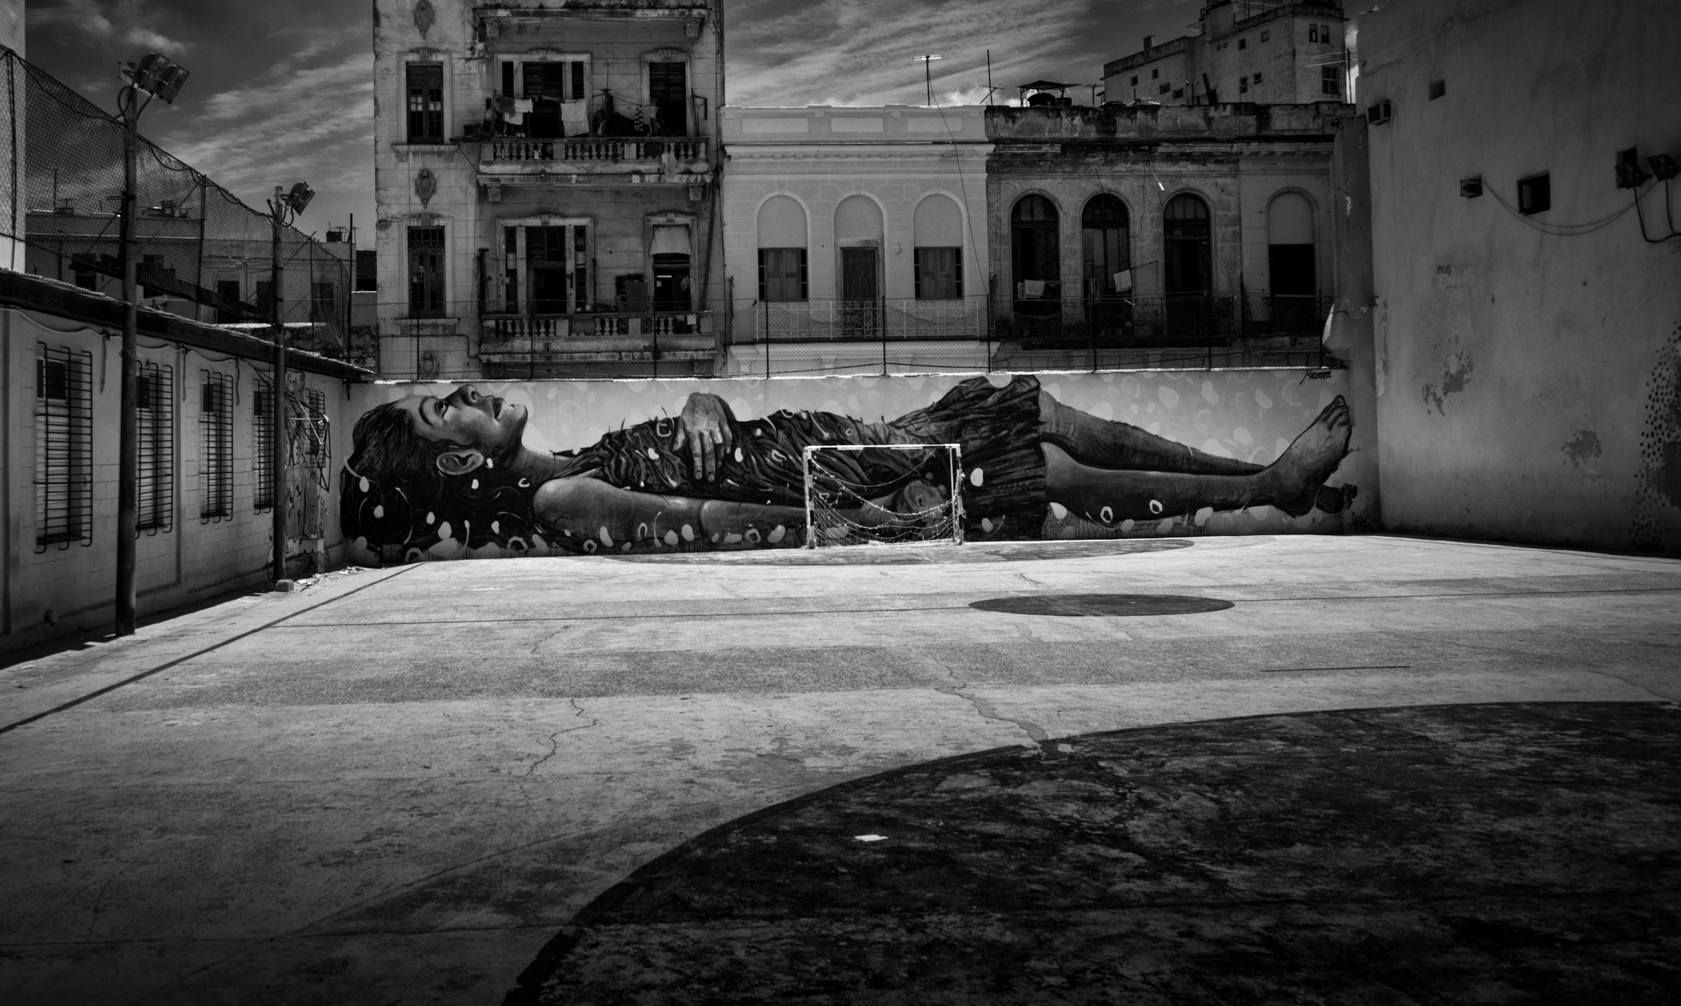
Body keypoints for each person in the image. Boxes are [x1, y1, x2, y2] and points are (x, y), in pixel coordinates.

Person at [340, 376, 1354, 561]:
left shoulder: (579, 459)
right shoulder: (563, 496)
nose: (465, 392)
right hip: (842, 478)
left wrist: (705, 398)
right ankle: (1268, 485)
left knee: (1039, 422)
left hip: (844, 438)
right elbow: (715, 528)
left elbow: (701, 457)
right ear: (452, 462)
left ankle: (1267, 476)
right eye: (445, 411)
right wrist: (889, 513)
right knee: (1046, 462)